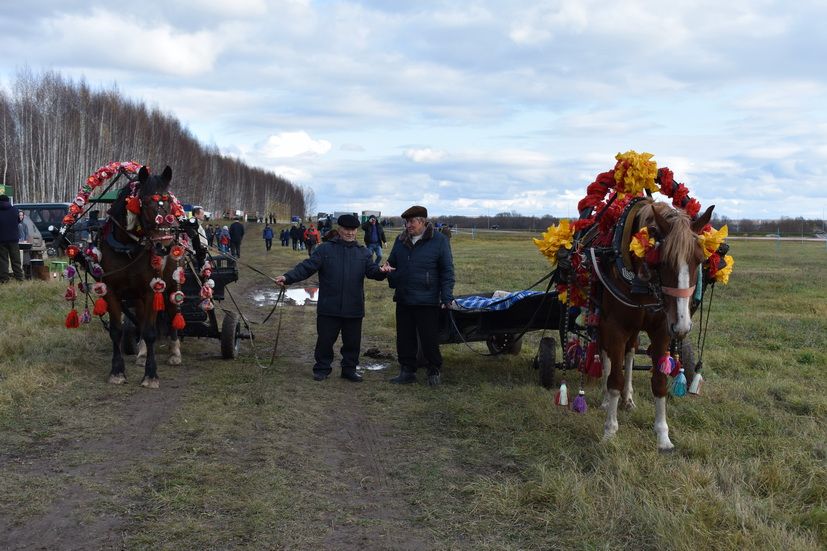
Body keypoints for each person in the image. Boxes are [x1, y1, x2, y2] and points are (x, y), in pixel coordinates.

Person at [276, 214, 386, 382]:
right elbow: (306, 267)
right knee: (325, 341)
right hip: (329, 306)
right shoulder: (325, 250)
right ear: (339, 229)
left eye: (353, 230)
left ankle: (349, 369)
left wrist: (381, 272)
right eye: (346, 229)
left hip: (354, 307)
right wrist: (287, 277)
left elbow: (372, 272)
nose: (350, 233)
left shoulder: (363, 252)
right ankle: (322, 368)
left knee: (352, 342)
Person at [381, 205, 455, 386]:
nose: (408, 225)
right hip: (404, 297)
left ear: (422, 222)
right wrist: (388, 269)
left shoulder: (439, 240)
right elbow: (392, 262)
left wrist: (446, 297)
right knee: (404, 337)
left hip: (427, 299)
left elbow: (447, 270)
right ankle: (407, 370)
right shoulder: (401, 240)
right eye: (406, 222)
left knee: (429, 337)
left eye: (412, 221)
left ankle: (434, 370)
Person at [0, 195, 24, 283]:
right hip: (13, 239)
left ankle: (4, 280)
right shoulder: (14, 209)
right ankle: (19, 278)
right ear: (8, 201)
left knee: (3, 261)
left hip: (1, 240)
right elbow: (18, 220)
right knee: (16, 260)